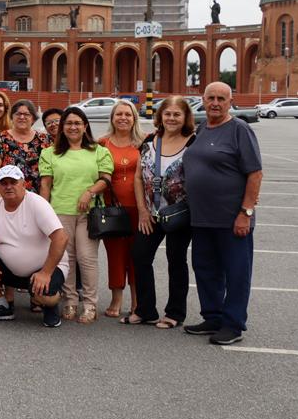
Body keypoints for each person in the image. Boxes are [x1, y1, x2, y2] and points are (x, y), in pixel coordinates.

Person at [182, 82, 262, 345]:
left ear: (230, 101)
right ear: (203, 100)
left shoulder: (239, 129)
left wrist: (246, 212)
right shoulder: (203, 128)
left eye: (221, 98)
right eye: (211, 98)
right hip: (202, 217)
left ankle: (233, 323)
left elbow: (255, 173)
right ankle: (213, 316)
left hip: (232, 218)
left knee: (236, 271)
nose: (215, 103)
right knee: (205, 269)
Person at [0, 165, 69, 326]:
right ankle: (2, 306)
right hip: (11, 271)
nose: (8, 186)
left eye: (13, 182)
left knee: (45, 297)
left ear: (23, 184)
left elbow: (61, 238)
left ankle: (51, 304)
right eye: (4, 183)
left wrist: (45, 272)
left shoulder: (37, 204)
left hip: (44, 268)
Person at [39, 106, 112, 324]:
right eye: (68, 123)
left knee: (86, 258)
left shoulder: (99, 151)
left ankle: (90, 304)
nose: (73, 127)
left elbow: (106, 178)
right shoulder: (49, 153)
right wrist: (43, 213)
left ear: (85, 126)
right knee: (66, 259)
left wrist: (89, 192)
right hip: (59, 212)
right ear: (62, 127)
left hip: (89, 213)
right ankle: (70, 300)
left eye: (77, 123)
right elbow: (45, 185)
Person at [129, 97, 195, 328]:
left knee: (176, 260)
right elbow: (138, 176)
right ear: (160, 116)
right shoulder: (149, 140)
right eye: (167, 114)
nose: (172, 118)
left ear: (186, 117)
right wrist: (142, 211)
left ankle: (175, 313)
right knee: (140, 256)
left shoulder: (193, 142)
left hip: (179, 215)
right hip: (151, 213)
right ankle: (145, 310)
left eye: (177, 114)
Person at [99, 99, 144, 318]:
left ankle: (137, 301)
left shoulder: (144, 142)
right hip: (112, 210)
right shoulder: (102, 143)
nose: (123, 118)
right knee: (115, 255)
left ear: (134, 118)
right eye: (119, 114)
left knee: (137, 255)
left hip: (139, 209)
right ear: (112, 118)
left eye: (128, 114)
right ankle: (116, 299)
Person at [0, 99, 49, 193]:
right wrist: (0, 197)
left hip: (38, 197)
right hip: (9, 196)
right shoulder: (0, 139)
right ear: (12, 117)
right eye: (18, 114)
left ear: (33, 118)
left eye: (27, 114)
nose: (22, 117)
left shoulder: (44, 140)